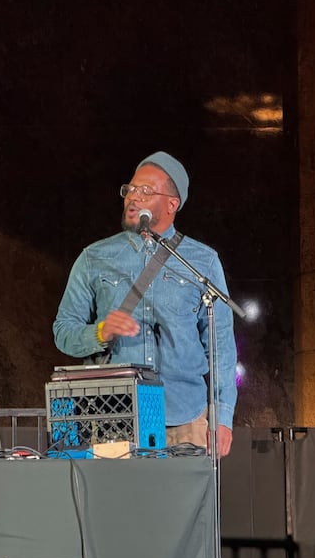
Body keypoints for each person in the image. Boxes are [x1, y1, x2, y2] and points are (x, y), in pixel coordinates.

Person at [53, 151, 238, 457]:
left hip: (185, 420)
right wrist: (100, 332)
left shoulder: (202, 261)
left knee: (185, 492)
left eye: (146, 191)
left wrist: (223, 417)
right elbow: (63, 331)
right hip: (112, 418)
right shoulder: (94, 257)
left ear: (172, 204)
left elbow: (222, 350)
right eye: (130, 189)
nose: (133, 197)